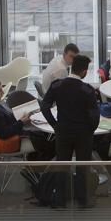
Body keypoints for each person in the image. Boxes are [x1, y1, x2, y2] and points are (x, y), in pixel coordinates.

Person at [40, 54, 100, 206]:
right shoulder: (87, 90)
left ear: (72, 68)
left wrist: (55, 125)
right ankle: (83, 200)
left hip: (63, 131)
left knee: (62, 164)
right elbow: (94, 116)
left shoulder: (57, 85)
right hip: (83, 133)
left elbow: (45, 106)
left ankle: (60, 199)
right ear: (84, 71)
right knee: (83, 166)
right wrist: (89, 130)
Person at [0, 78, 55, 158]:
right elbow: (3, 134)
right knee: (50, 144)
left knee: (44, 135)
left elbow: (4, 123)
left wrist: (21, 117)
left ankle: (33, 162)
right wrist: (21, 122)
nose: (3, 92)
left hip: (14, 132)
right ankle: (36, 166)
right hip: (11, 140)